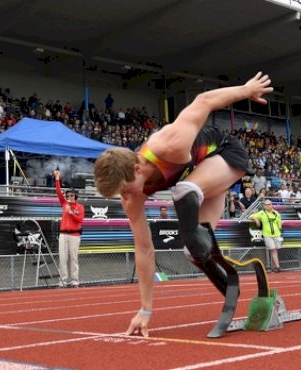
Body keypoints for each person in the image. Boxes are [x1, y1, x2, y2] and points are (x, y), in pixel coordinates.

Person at [94, 72, 273, 337]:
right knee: (197, 252)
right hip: (201, 181)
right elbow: (144, 250)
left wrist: (246, 90)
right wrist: (145, 309)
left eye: (125, 189)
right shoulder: (132, 196)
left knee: (185, 189)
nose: (127, 197)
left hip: (224, 155)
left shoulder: (168, 144)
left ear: (136, 167)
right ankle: (232, 291)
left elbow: (203, 101)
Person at [54, 169, 85, 288]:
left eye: (72, 195)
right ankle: (63, 281)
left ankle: (75, 281)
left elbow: (80, 220)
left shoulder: (80, 207)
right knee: (62, 258)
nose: (69, 197)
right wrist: (57, 178)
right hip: (63, 234)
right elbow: (58, 192)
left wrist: (71, 213)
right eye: (68, 196)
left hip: (75, 235)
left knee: (73, 258)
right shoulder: (64, 204)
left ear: (76, 196)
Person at [249, 199, 283, 272]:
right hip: (267, 234)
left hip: (276, 234)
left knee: (275, 250)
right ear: (264, 206)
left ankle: (273, 268)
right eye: (266, 205)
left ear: (271, 205)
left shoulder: (276, 213)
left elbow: (279, 223)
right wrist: (256, 219)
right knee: (273, 249)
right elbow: (250, 216)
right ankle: (278, 266)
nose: (267, 206)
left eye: (269, 204)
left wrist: (280, 232)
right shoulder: (262, 213)